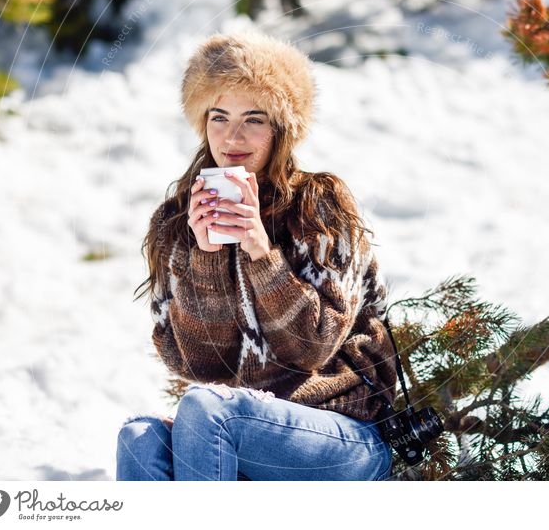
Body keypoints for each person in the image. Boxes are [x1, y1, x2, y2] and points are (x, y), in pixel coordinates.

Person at [116, 29, 397, 481]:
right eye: (219, 116)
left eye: (254, 118)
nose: (232, 137)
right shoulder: (178, 222)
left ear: (282, 129)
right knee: (140, 437)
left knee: (211, 411)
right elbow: (197, 366)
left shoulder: (319, 206)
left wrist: (261, 253)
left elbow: (313, 348)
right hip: (241, 426)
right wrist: (205, 260)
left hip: (344, 433)